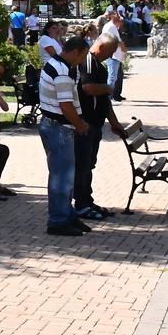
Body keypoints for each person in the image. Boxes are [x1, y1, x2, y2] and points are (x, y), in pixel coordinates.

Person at [39, 35, 92, 236]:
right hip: (59, 128)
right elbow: (66, 105)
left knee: (65, 176)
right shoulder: (61, 70)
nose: (82, 61)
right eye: (82, 56)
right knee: (61, 177)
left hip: (56, 126)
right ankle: (58, 221)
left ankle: (67, 215)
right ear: (75, 52)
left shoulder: (59, 65)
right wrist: (80, 125)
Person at [74, 35, 126, 220]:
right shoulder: (88, 61)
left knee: (89, 164)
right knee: (82, 166)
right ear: (102, 47)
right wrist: (108, 88)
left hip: (95, 123)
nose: (111, 56)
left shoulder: (98, 64)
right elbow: (88, 88)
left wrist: (114, 122)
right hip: (86, 123)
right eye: (110, 51)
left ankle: (87, 201)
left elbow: (104, 101)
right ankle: (81, 204)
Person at [102, 8, 128, 100]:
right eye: (119, 21)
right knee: (112, 77)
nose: (121, 24)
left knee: (118, 76)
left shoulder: (112, 27)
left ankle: (116, 95)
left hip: (116, 55)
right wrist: (123, 48)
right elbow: (115, 41)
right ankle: (109, 97)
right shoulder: (110, 27)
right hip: (113, 55)